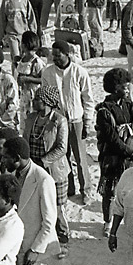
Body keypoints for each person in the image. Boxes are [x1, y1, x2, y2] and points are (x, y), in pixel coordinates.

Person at [1, 133, 58, 265]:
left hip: (31, 244)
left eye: (6, 156)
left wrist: (35, 249)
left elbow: (49, 220)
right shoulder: (15, 174)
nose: (3, 159)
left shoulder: (43, 179)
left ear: (17, 157)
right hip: (18, 241)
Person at [41, 39, 95, 202]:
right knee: (62, 156)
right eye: (53, 56)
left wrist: (87, 122)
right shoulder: (47, 72)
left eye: (58, 56)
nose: (55, 59)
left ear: (67, 54)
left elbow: (88, 99)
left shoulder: (79, 72)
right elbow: (45, 98)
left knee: (80, 158)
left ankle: (86, 190)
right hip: (57, 121)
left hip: (76, 120)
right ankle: (69, 188)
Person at [22, 86, 70, 260]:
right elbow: (25, 138)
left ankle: (63, 239)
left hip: (54, 171)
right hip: (33, 169)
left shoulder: (59, 120)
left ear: (48, 103)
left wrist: (43, 162)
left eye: (38, 100)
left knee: (57, 206)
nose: (34, 102)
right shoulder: (31, 118)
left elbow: (62, 148)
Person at [96, 68, 133, 236]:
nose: (128, 90)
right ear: (115, 88)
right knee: (109, 190)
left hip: (129, 155)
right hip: (111, 156)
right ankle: (107, 221)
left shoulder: (130, 106)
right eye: (124, 87)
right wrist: (129, 151)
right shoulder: (104, 111)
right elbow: (112, 139)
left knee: (130, 190)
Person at [0, 0, 36, 65]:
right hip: (12, 35)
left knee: (24, 58)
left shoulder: (25, 0)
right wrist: (0, 36)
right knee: (15, 58)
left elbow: (31, 18)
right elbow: (2, 19)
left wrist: (33, 33)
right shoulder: (6, 1)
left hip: (24, 34)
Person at [16, 30, 46, 124]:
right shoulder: (22, 59)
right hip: (24, 96)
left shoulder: (37, 62)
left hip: (34, 96)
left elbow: (44, 79)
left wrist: (28, 79)